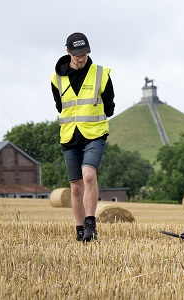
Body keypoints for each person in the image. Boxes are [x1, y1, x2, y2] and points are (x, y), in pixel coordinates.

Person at [50, 32, 115, 242]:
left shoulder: (101, 74)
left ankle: (90, 224)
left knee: (88, 175)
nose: (81, 58)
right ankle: (80, 231)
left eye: (85, 53)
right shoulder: (56, 78)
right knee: (75, 187)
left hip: (95, 134)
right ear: (68, 51)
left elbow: (110, 107)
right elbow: (60, 106)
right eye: (77, 54)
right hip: (70, 136)